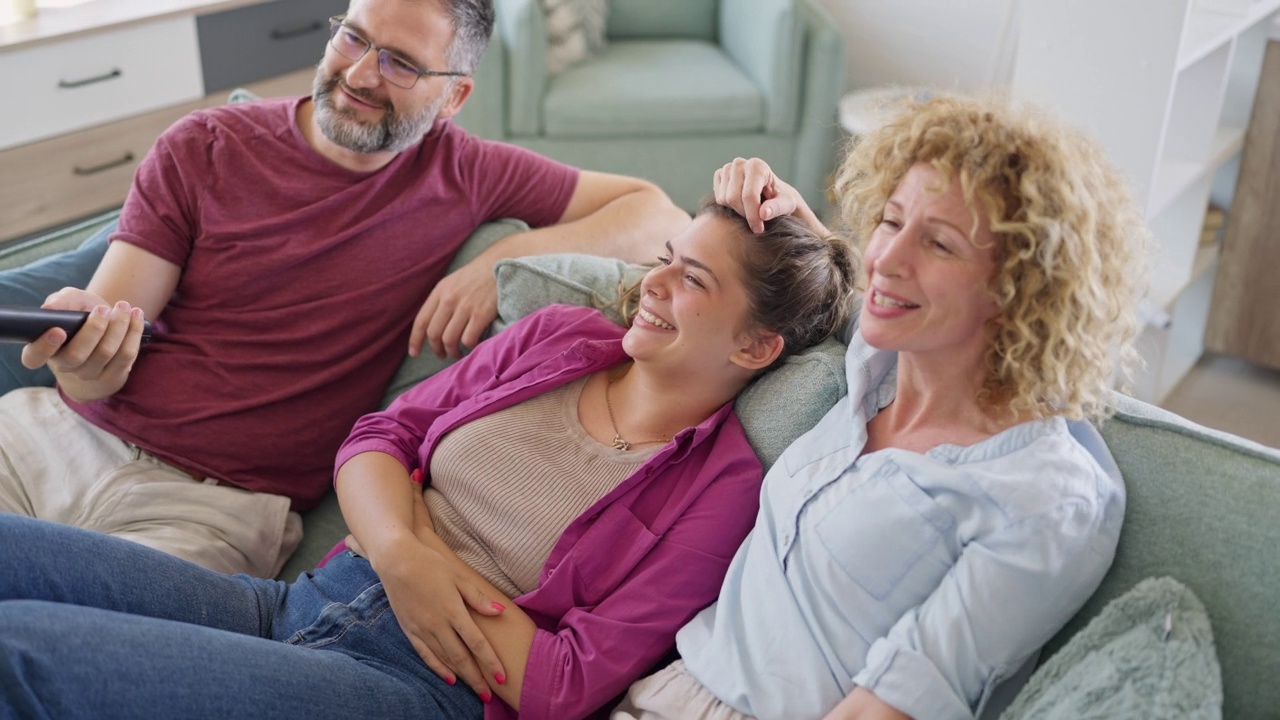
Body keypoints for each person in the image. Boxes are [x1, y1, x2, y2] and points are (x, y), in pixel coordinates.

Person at [0, 198, 858, 720]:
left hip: (411, 690)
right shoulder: (560, 337)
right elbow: (378, 438)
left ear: (755, 348)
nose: (656, 282)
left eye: (694, 281)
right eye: (667, 260)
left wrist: (403, 537)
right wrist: (405, 554)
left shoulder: (723, 489)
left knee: (22, 655)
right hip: (297, 603)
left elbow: (564, 683)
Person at [0, 0, 691, 577]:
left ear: (454, 95)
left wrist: (507, 256)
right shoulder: (203, 144)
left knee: (54, 641)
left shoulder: (466, 174)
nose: (361, 73)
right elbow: (97, 370)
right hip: (53, 439)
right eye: (353, 36)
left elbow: (657, 212)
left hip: (209, 510)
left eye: (401, 62)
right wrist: (81, 358)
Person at [613, 94, 1150, 720]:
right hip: (661, 692)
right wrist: (773, 200)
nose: (888, 259)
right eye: (892, 222)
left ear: (1018, 289)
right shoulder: (886, 356)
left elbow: (886, 709)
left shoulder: (1043, 499)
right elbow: (857, 278)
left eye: (940, 245)